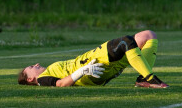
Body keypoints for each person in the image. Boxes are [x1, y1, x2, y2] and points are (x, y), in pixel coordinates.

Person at [18, 30, 169, 88]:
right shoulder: (42, 79)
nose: (36, 64)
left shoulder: (47, 71)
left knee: (148, 36)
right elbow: (60, 84)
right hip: (90, 66)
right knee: (125, 41)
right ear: (31, 79)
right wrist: (82, 71)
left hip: (93, 64)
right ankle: (151, 79)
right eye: (32, 67)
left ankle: (142, 80)